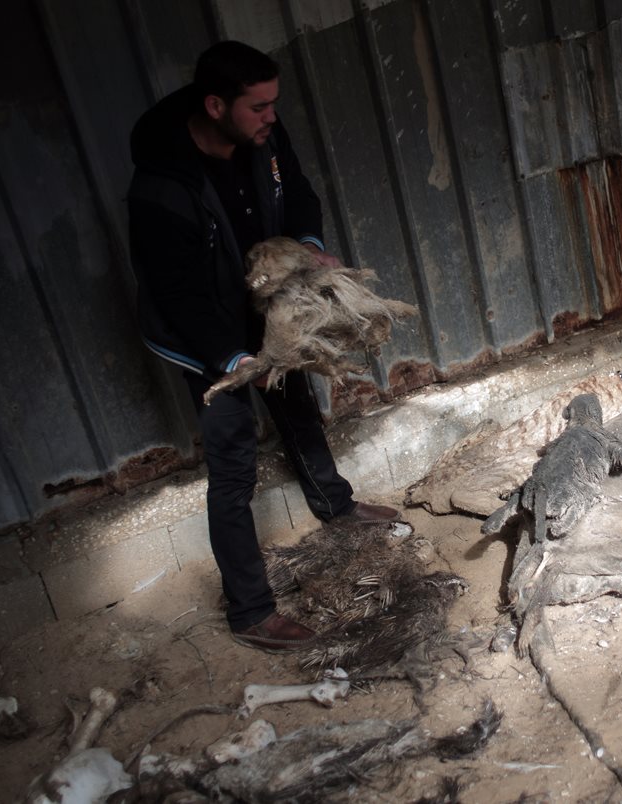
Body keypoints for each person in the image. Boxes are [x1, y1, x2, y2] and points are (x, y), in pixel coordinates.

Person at [126, 40, 400, 652]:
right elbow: (177, 294)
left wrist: (306, 244)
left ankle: (336, 506)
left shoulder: (262, 138)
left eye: (275, 103)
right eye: (259, 106)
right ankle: (251, 612)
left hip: (262, 303)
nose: (272, 116)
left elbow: (299, 190)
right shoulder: (162, 187)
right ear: (216, 105)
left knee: (297, 401)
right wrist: (233, 359)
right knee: (232, 459)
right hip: (201, 335)